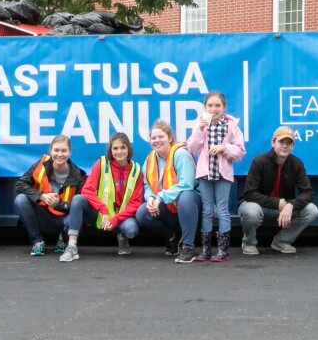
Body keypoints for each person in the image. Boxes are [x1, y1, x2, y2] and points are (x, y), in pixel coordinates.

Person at [238, 126, 318, 256]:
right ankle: (249, 243)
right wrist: (277, 203)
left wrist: (290, 205)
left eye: (289, 143)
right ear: (273, 142)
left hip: (283, 209)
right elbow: (249, 194)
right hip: (260, 207)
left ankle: (281, 241)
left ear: (293, 146)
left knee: (311, 210)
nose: (285, 146)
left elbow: (308, 193)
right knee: (251, 210)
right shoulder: (259, 161)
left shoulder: (297, 163)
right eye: (281, 142)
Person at [185, 91, 246, 262]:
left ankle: (223, 250)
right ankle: (205, 250)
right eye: (210, 105)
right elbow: (192, 147)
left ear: (224, 107)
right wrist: (199, 130)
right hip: (205, 173)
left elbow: (240, 151)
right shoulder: (200, 125)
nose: (214, 109)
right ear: (205, 107)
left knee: (222, 210)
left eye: (217, 105)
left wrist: (224, 148)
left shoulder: (231, 126)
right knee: (207, 211)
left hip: (223, 174)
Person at [135, 120, 203, 263]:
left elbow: (187, 184)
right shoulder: (150, 158)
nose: (157, 140)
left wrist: (160, 196)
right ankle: (173, 238)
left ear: (170, 138)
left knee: (186, 196)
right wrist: (151, 199)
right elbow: (147, 185)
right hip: (168, 209)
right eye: (153, 138)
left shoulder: (180, 154)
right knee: (142, 213)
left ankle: (188, 247)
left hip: (190, 209)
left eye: (161, 137)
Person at [16, 135, 91, 258]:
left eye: (63, 151)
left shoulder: (79, 175)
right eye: (56, 150)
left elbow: (79, 206)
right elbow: (20, 185)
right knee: (20, 199)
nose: (59, 154)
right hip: (43, 216)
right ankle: (37, 241)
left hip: (64, 219)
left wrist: (59, 204)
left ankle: (64, 238)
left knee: (79, 218)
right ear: (50, 150)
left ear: (70, 152)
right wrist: (41, 196)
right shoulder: (40, 165)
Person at [78, 132, 144, 257]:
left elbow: (135, 203)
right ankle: (71, 245)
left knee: (131, 230)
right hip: (102, 215)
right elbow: (87, 190)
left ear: (128, 149)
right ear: (110, 150)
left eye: (123, 147)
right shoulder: (101, 163)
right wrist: (104, 211)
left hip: (123, 216)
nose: (119, 152)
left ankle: (122, 236)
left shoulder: (136, 170)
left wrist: (116, 219)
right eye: (115, 148)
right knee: (78, 199)